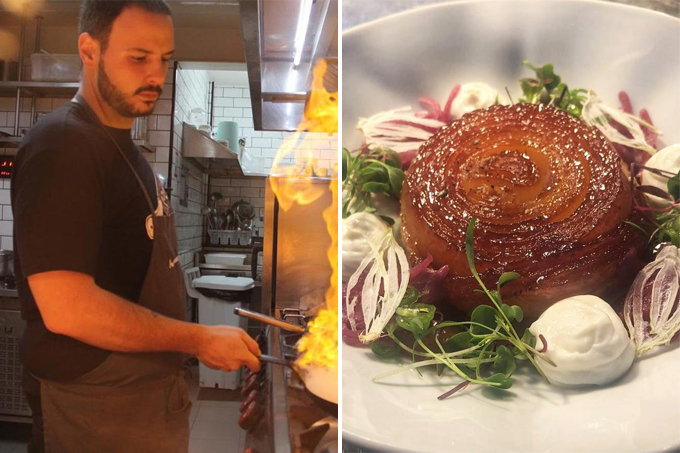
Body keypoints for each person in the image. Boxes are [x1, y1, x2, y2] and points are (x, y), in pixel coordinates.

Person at [11, 1, 261, 452]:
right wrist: (198, 338)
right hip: (93, 408)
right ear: (89, 50)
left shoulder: (126, 152)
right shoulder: (63, 145)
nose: (156, 76)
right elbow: (68, 308)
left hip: (137, 395)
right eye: (138, 57)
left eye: (164, 60)